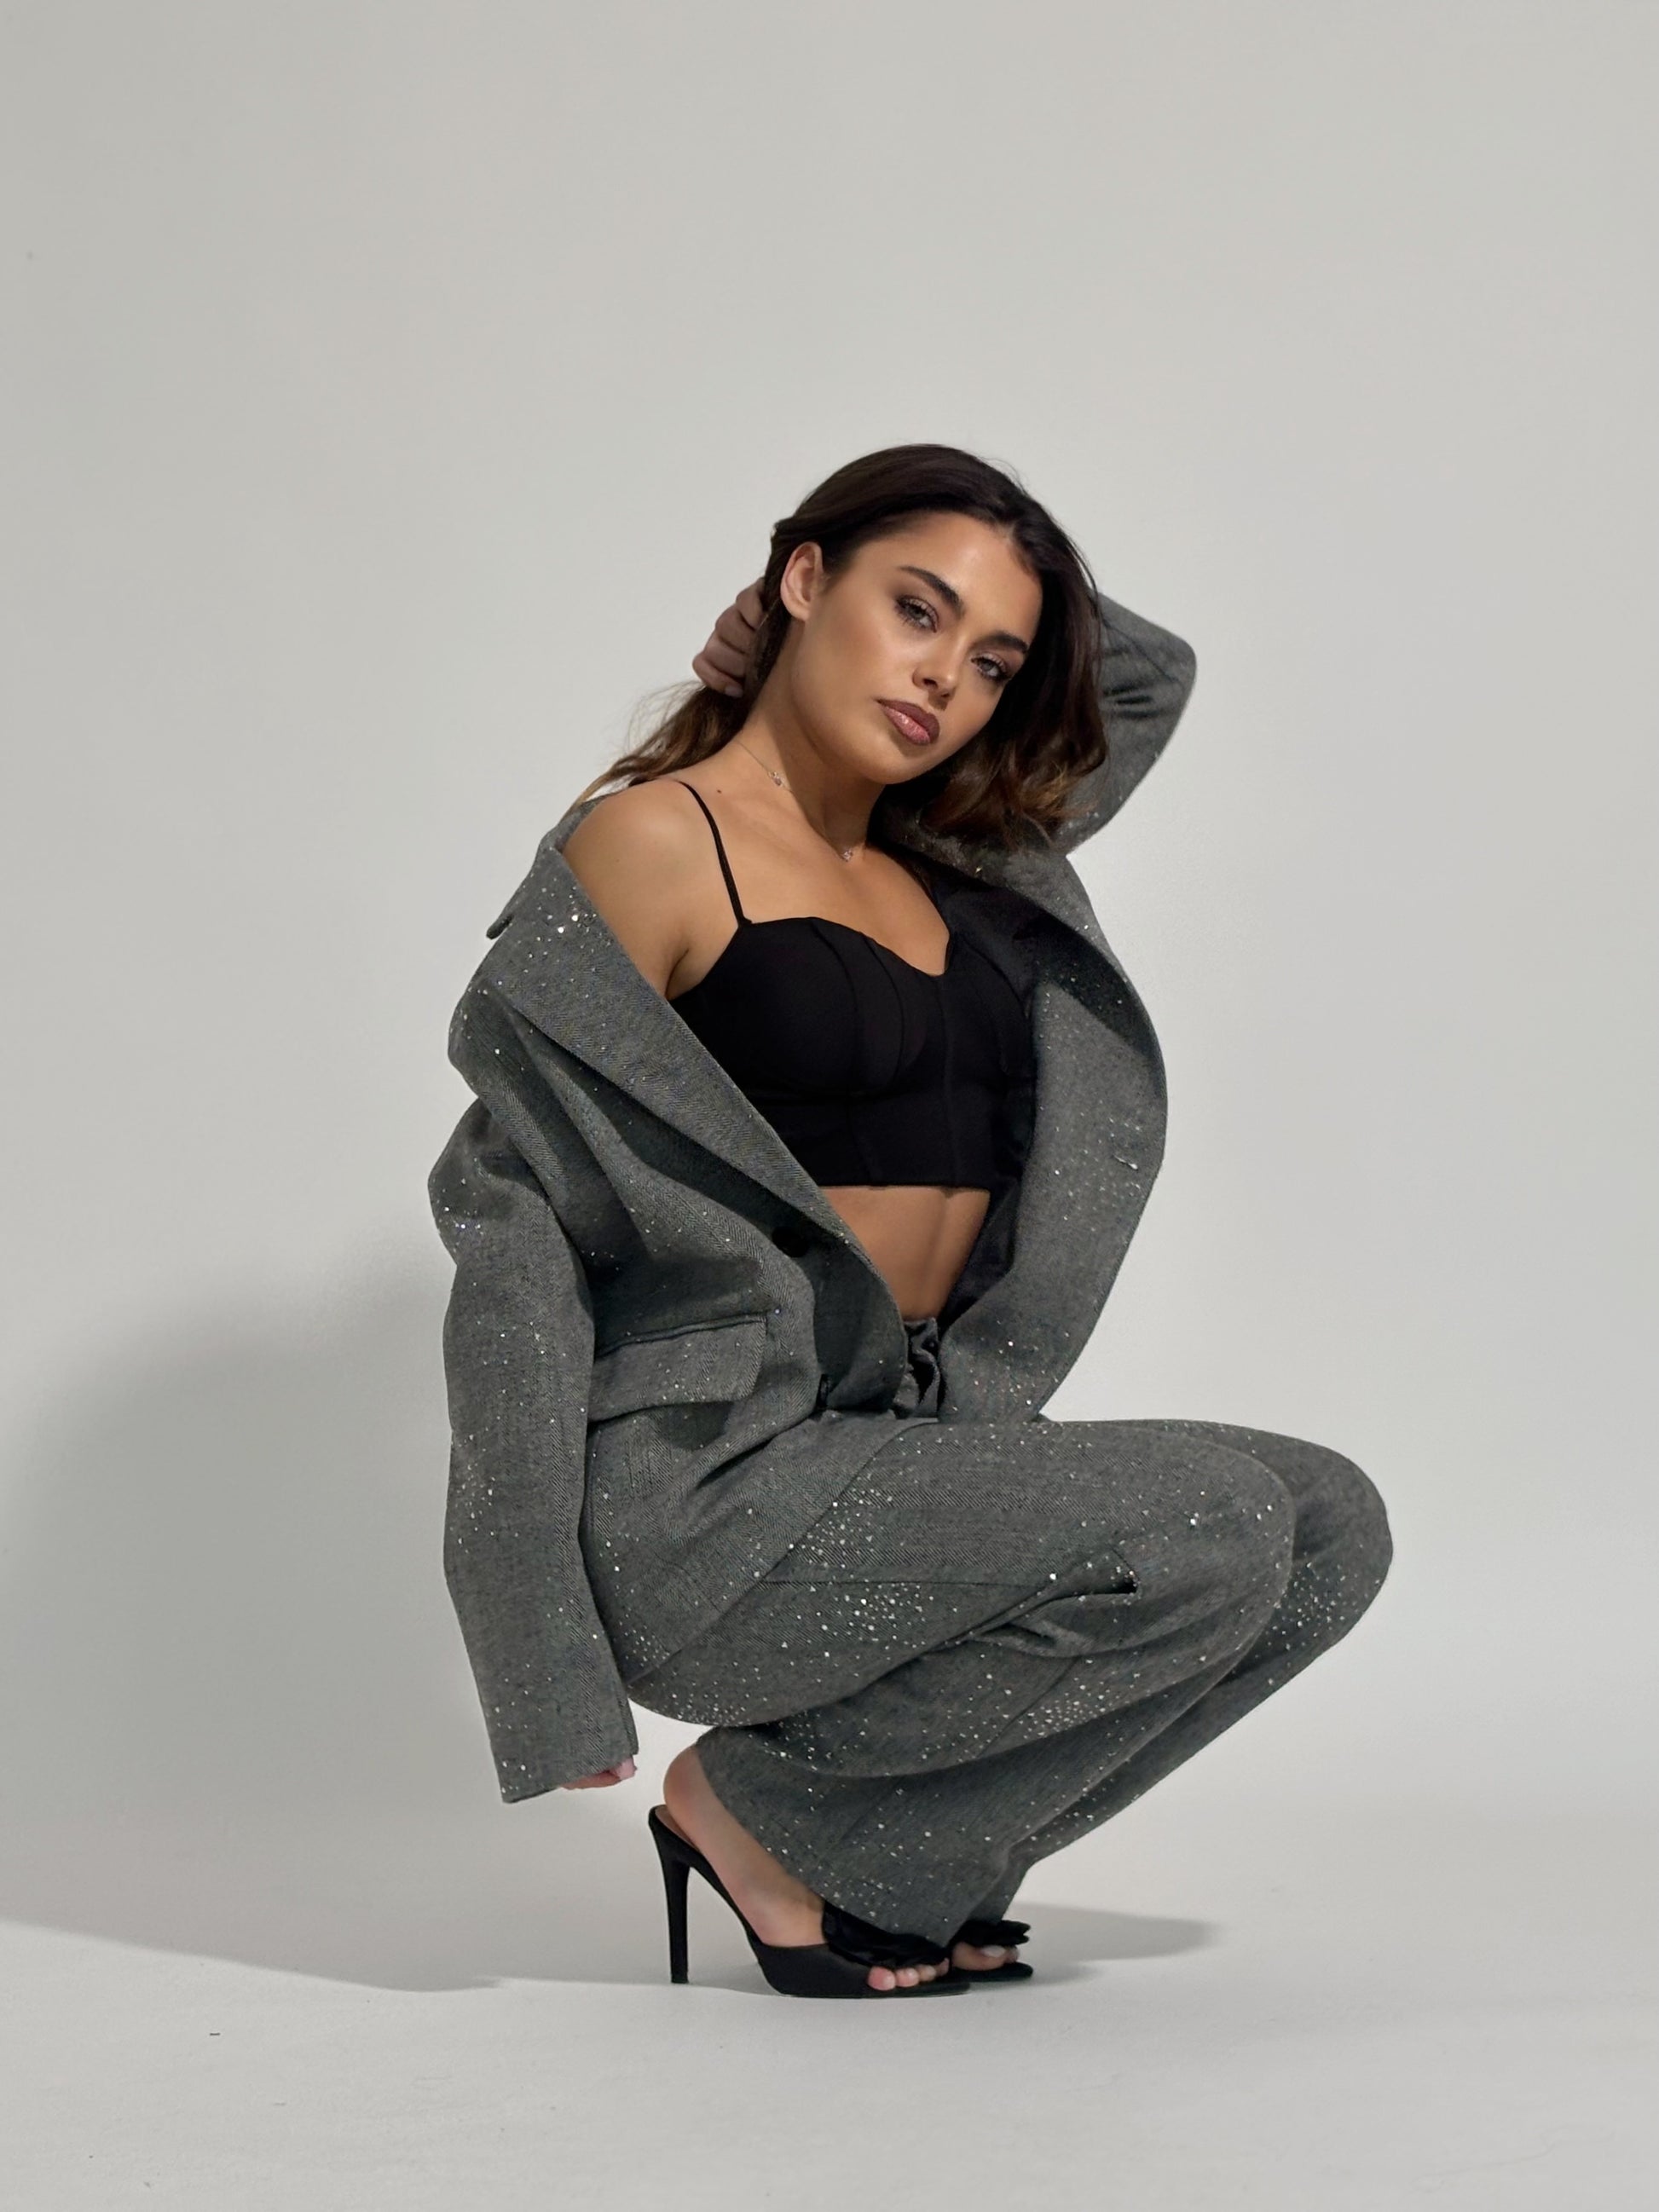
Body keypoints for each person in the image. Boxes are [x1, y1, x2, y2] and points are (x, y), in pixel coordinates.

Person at [428, 442, 1393, 2001]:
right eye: (915, 610)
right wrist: (538, 1654)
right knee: (1210, 1524)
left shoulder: (958, 850)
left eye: (991, 657)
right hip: (710, 1497)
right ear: (804, 577)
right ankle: (760, 1819)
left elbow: (1145, 677)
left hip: (902, 1446)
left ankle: (891, 1861)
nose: (945, 675)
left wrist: (978, 596)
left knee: (1330, 1525)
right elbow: (513, 1243)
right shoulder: (651, 845)